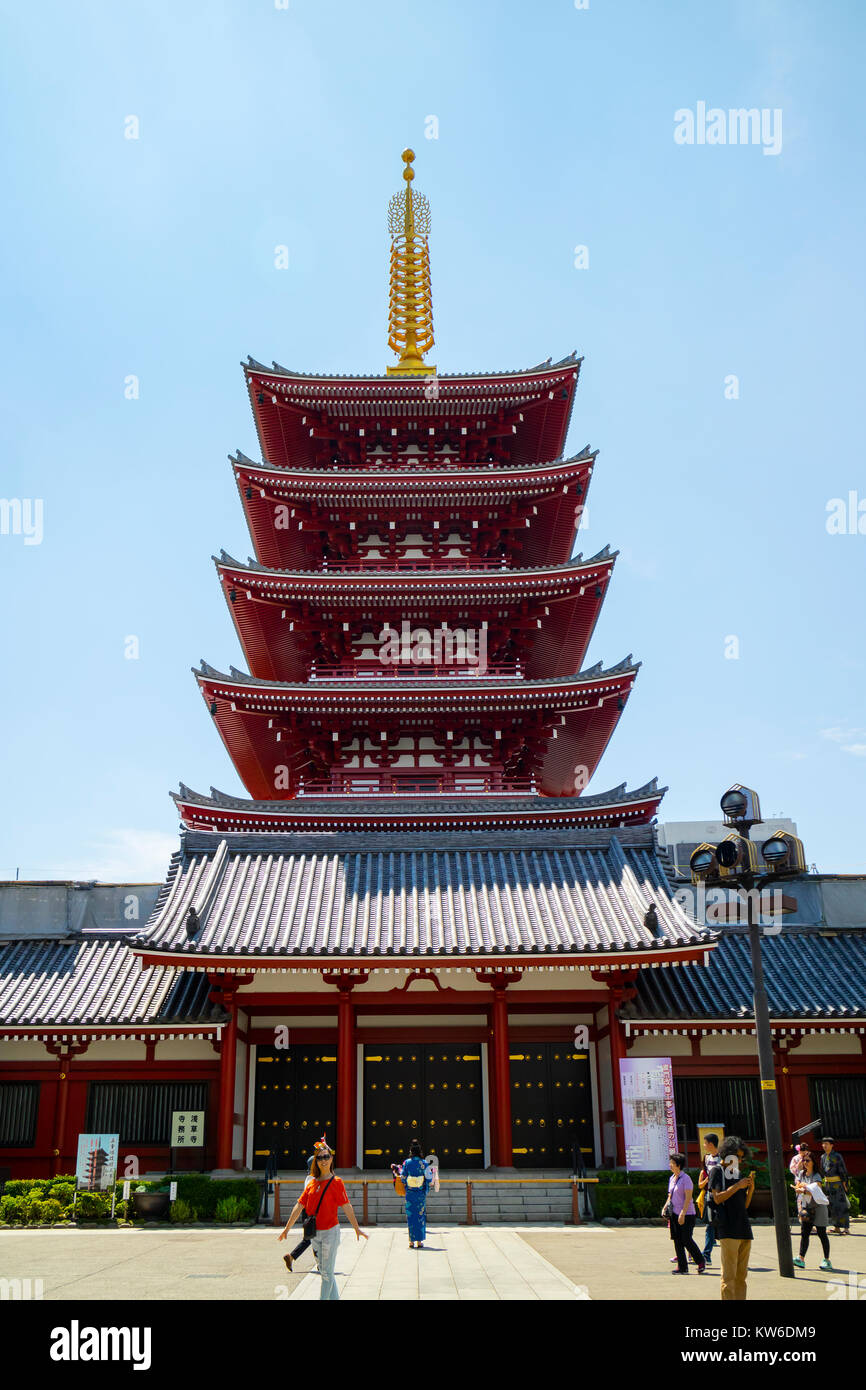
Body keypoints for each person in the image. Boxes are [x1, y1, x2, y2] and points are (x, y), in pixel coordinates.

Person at [278, 1139, 367, 1299]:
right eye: (320, 1158)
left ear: (331, 1159)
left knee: (325, 1274)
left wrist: (356, 1227)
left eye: (326, 1157)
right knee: (327, 1273)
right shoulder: (312, 1184)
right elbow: (299, 1206)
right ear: (315, 1162)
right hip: (314, 1235)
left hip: (330, 1233)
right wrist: (287, 1228)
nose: (324, 1160)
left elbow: (347, 1206)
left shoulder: (336, 1183)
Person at [708, 1136, 754, 1301]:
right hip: (728, 1228)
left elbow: (745, 1205)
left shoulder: (737, 1173)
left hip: (744, 1227)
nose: (740, 1160)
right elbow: (717, 1198)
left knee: (741, 1276)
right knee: (729, 1276)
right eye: (738, 1156)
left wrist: (750, 1188)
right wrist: (738, 1186)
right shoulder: (716, 1171)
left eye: (742, 1157)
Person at [663, 1153, 706, 1275]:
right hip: (674, 1213)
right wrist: (665, 1207)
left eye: (672, 1163)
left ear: (678, 1165)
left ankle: (700, 1261)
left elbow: (688, 1198)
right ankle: (682, 1267)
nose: (670, 1165)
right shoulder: (672, 1178)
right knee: (677, 1240)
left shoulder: (686, 1179)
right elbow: (670, 1195)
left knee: (686, 1239)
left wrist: (682, 1213)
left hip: (687, 1214)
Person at [793, 1151, 833, 1271]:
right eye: (804, 1160)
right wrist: (799, 1187)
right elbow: (799, 1186)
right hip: (808, 1207)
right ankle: (801, 1258)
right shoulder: (801, 1173)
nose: (805, 1163)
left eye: (807, 1161)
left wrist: (804, 1190)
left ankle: (827, 1260)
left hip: (819, 1207)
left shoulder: (816, 1175)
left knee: (821, 1233)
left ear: (813, 1162)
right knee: (805, 1233)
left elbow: (817, 1190)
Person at [397, 1139, 432, 1249]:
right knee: (420, 1216)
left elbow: (403, 1177)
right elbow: (429, 1177)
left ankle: (411, 1241)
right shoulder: (424, 1163)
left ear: (411, 1151)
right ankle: (419, 1241)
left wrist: (407, 1182)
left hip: (410, 1193)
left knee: (411, 1216)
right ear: (420, 1151)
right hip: (420, 1193)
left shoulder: (407, 1163)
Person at [697, 1133, 721, 1266]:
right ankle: (707, 1255)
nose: (704, 1145)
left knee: (722, 1224)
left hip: (722, 1195)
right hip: (709, 1195)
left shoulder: (723, 1158)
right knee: (709, 1225)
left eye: (705, 1143)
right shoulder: (706, 1158)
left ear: (711, 1144)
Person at [820, 1137, 850, 1236]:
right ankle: (836, 1227)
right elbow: (822, 1171)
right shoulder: (823, 1157)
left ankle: (846, 1227)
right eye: (823, 1144)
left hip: (838, 1183)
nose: (824, 1146)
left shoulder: (837, 1156)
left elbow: (843, 1170)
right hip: (828, 1183)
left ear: (832, 1145)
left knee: (841, 1205)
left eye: (827, 1144)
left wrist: (844, 1184)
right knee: (832, 1205)